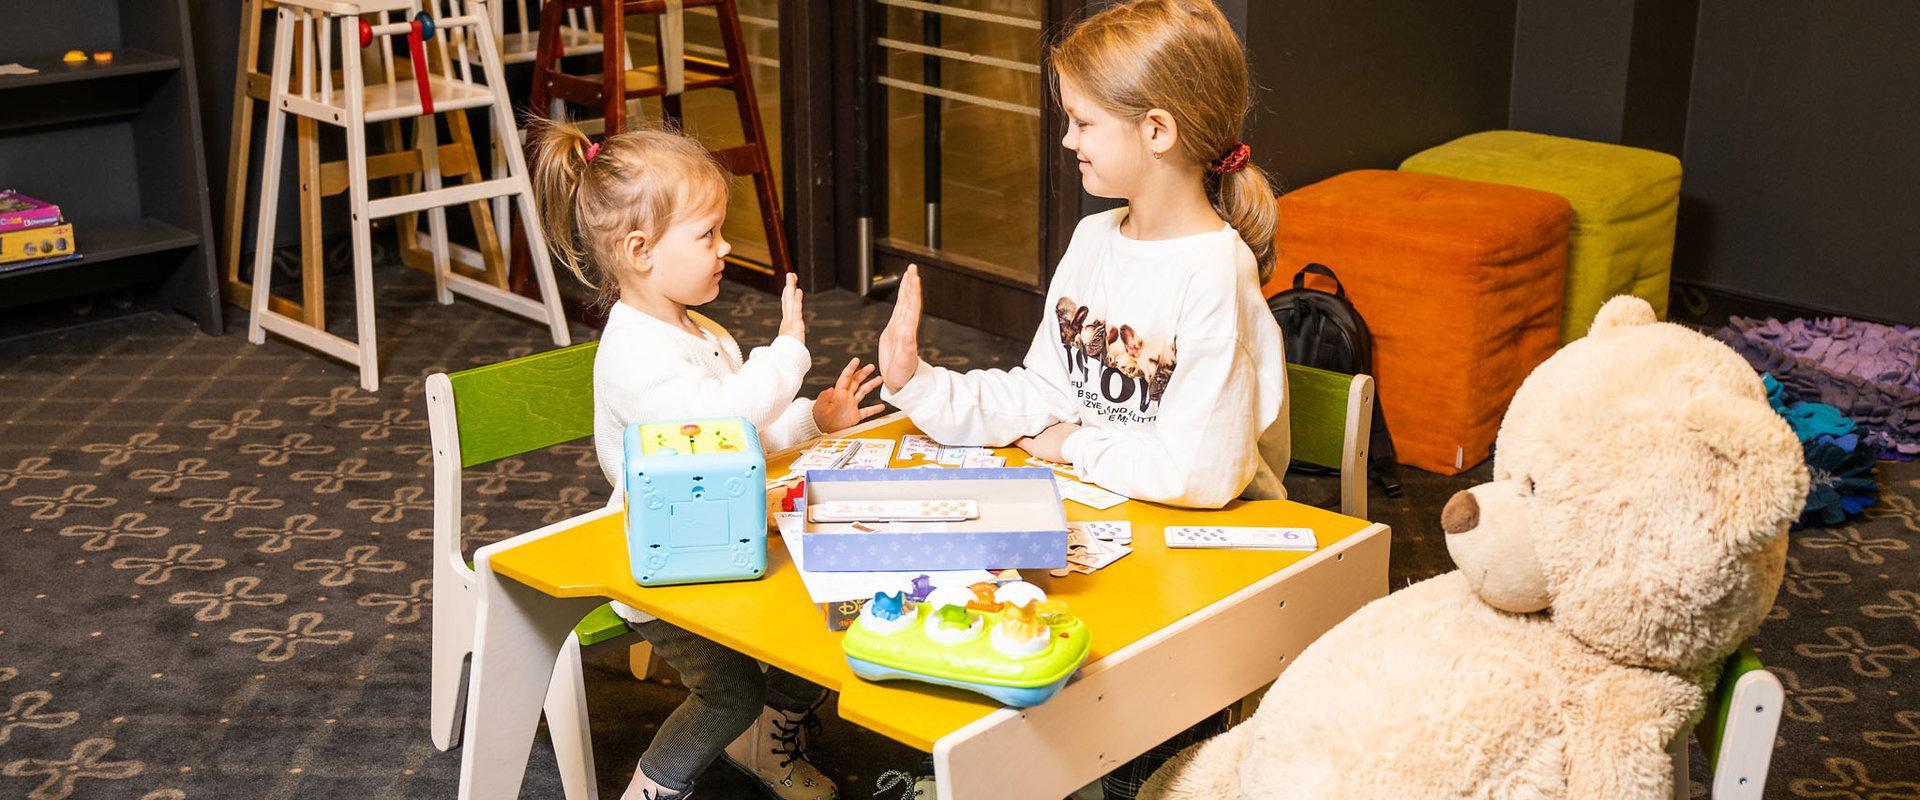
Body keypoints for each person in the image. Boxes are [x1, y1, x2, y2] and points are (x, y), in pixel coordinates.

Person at [530, 117, 880, 800]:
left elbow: (745, 441)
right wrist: (788, 353)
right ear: (639, 251)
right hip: (663, 564)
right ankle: (653, 787)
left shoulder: (698, 328)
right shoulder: (635, 352)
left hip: (724, 540)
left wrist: (812, 417)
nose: (725, 248)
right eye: (708, 235)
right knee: (728, 694)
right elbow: (722, 420)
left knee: (821, 623)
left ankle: (761, 748)